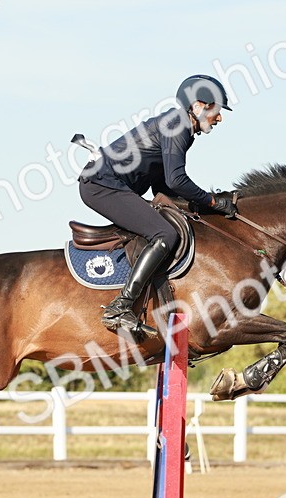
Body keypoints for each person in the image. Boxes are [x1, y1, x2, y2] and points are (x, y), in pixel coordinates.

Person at [78, 74, 238, 341]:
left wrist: (204, 207)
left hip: (109, 184)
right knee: (165, 234)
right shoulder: (178, 127)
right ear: (198, 106)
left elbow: (164, 185)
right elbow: (176, 179)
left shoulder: (176, 124)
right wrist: (211, 201)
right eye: (216, 110)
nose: (219, 118)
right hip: (102, 186)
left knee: (166, 226)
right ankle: (121, 307)